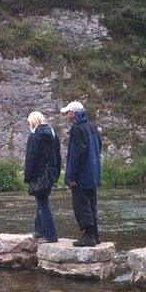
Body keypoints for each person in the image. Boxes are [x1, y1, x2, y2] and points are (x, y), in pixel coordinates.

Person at [61, 101, 102, 247]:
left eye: (68, 113)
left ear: (74, 113)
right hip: (93, 173)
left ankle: (88, 237)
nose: (67, 116)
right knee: (92, 204)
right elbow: (99, 147)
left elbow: (75, 154)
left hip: (82, 175)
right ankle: (96, 235)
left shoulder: (77, 129)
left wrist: (70, 176)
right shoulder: (92, 126)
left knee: (81, 205)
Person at [23, 111, 61, 244]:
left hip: (39, 174)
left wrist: (27, 176)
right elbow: (58, 155)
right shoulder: (53, 134)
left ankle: (50, 236)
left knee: (43, 204)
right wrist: (56, 174)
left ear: (33, 122)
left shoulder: (35, 135)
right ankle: (38, 231)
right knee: (41, 202)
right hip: (51, 173)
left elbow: (31, 157)